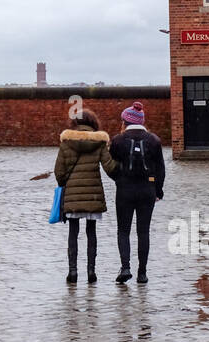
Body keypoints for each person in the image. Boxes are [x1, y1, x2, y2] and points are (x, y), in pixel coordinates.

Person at [54, 109, 117, 284]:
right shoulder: (99, 142)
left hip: (73, 194)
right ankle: (91, 272)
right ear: (93, 123)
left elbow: (58, 171)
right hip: (93, 194)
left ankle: (72, 272)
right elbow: (110, 167)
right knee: (91, 232)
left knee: (73, 232)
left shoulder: (66, 142)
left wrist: (63, 184)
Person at [108, 103, 166, 284]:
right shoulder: (154, 140)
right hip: (147, 191)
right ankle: (142, 273)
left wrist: (118, 179)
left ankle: (125, 267)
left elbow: (111, 165)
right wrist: (158, 190)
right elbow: (160, 169)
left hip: (124, 190)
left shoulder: (117, 140)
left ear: (125, 121)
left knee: (123, 231)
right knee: (143, 232)